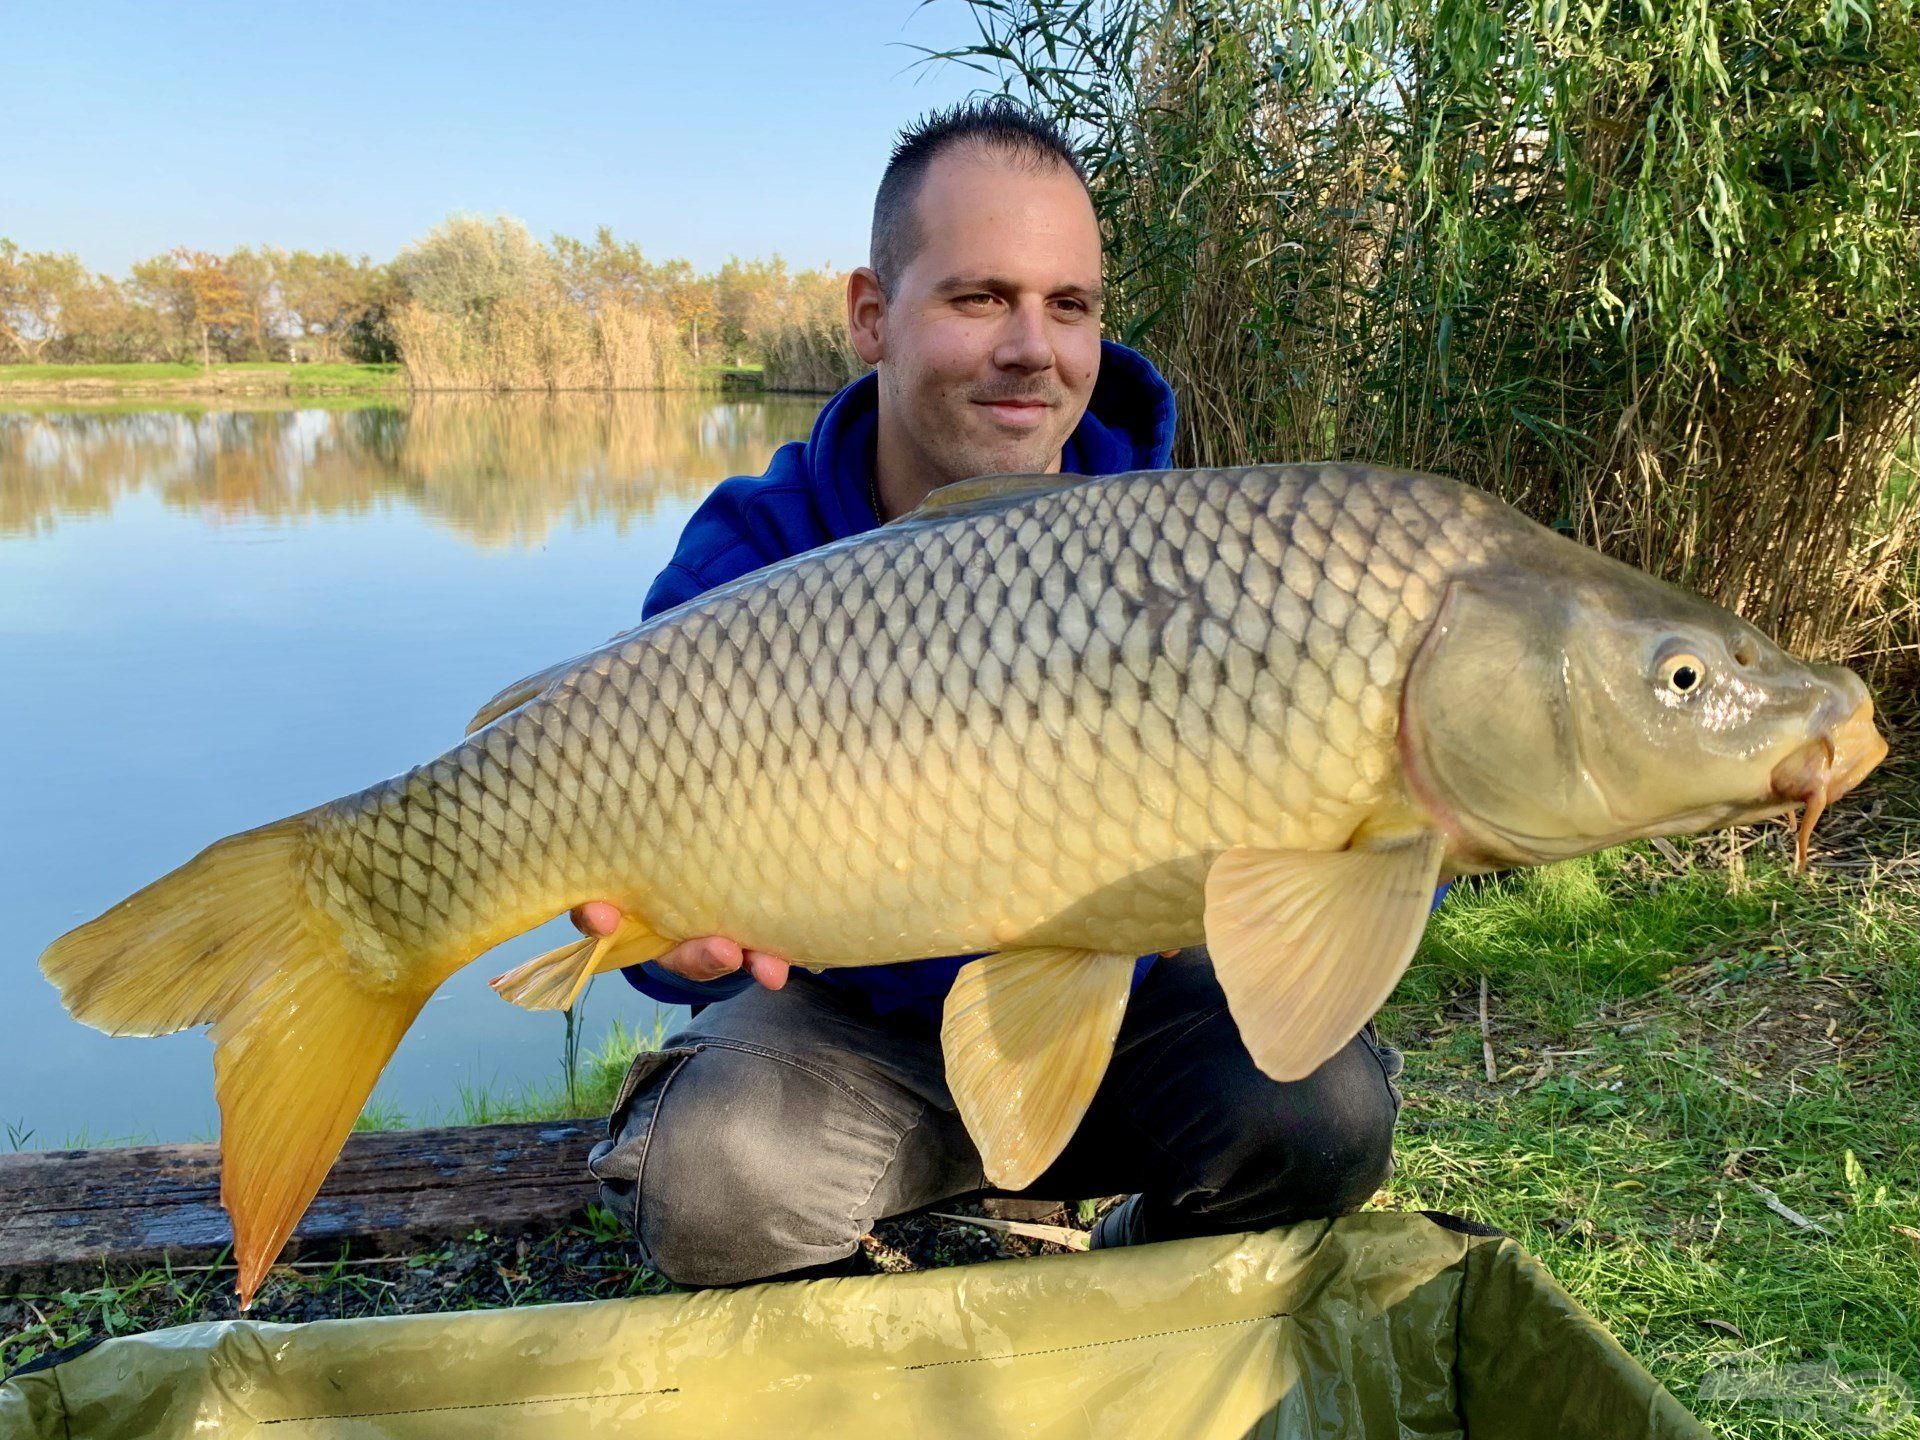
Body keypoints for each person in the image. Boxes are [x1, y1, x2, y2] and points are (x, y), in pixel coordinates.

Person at [580, 99, 1407, 1287]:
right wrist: (670, 949)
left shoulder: (1209, 556)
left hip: (1118, 1011)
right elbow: (640, 931)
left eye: (1069, 305)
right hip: (845, 1041)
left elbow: (1346, 850)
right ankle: (880, 1355)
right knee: (713, 1177)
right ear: (873, 314)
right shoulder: (747, 564)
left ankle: (1131, 1274)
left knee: (1326, 1113)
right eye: (982, 298)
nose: (1036, 347)